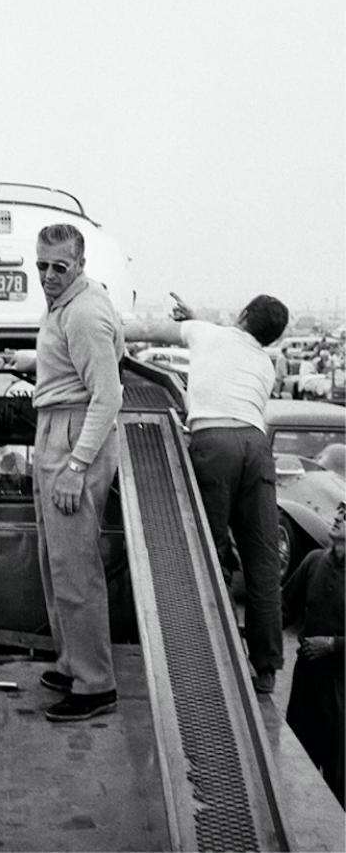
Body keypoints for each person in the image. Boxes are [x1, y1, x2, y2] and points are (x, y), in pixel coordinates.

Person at [124, 292, 289, 694]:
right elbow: (228, 347)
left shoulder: (206, 334)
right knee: (263, 560)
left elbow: (144, 330)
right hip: (255, 444)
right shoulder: (264, 362)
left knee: (209, 556)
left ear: (244, 313)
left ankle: (216, 655)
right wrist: (201, 322)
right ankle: (265, 669)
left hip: (214, 443)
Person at [31, 223, 124, 722]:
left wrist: (75, 466)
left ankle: (94, 684)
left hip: (74, 434)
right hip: (56, 422)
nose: (47, 275)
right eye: (41, 264)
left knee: (75, 566)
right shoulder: (64, 302)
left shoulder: (84, 313)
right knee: (55, 559)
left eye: (59, 267)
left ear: (80, 264)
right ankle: (72, 661)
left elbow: (109, 396)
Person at [282, 502, 344, 807]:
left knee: (338, 777)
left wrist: (332, 645)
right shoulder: (314, 561)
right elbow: (283, 608)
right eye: (340, 509)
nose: (338, 516)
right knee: (297, 767)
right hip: (305, 681)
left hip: (339, 688)